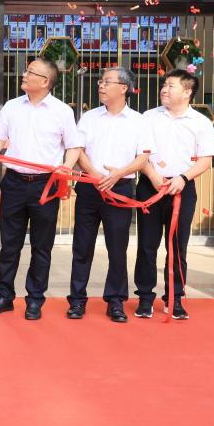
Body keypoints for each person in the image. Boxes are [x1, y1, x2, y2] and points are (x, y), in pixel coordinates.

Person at [0, 58, 83, 320]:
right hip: (14, 183)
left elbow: (73, 146)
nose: (24, 74)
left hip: (45, 185)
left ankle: (35, 300)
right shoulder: (12, 106)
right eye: (26, 70)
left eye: (30, 72)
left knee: (42, 247)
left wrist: (67, 167)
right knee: (10, 244)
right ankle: (4, 296)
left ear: (45, 81)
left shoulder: (61, 111)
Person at [67, 66, 151, 323]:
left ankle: (115, 301)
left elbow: (143, 156)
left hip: (120, 187)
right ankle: (77, 300)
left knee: (117, 247)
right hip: (89, 187)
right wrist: (95, 174)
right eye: (100, 82)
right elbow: (78, 149)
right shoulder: (89, 117)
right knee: (82, 246)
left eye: (106, 82)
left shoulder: (139, 120)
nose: (101, 86)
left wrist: (117, 174)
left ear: (123, 88)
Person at [134, 69, 214, 320]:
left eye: (170, 85)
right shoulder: (148, 117)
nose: (164, 89)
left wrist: (183, 178)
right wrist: (152, 175)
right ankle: (145, 298)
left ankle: (175, 298)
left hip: (182, 188)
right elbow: (140, 154)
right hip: (150, 186)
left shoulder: (201, 122)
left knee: (178, 246)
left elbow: (205, 160)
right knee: (147, 245)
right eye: (164, 84)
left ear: (187, 91)